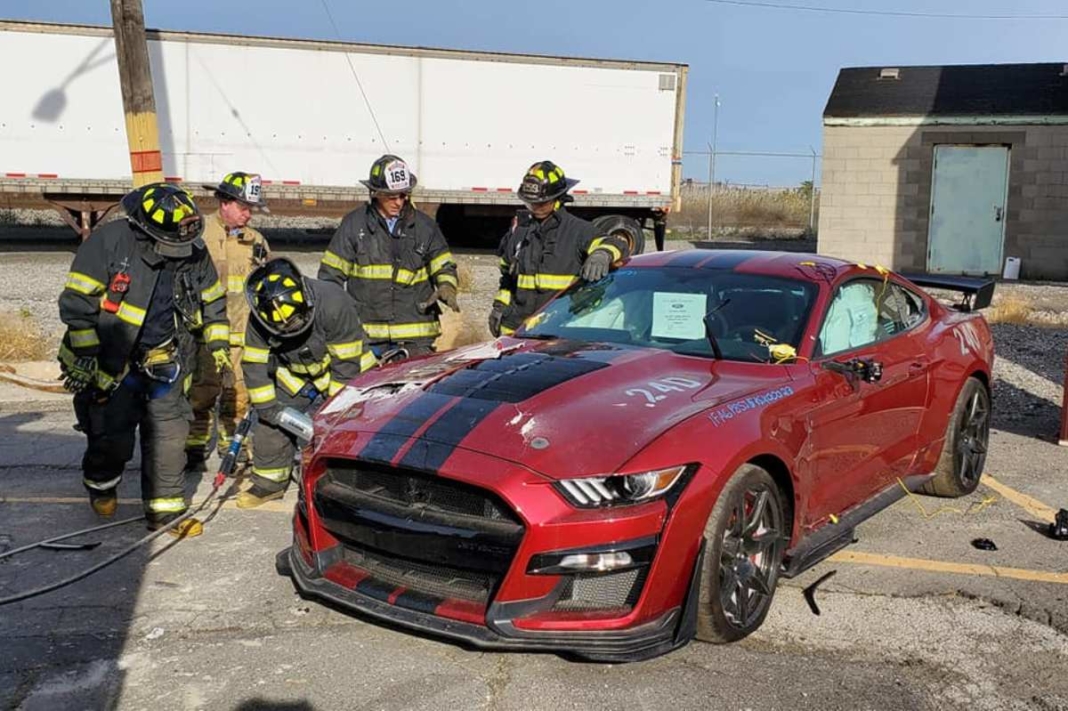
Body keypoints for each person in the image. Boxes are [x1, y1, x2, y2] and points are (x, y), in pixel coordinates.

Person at [58, 183, 230, 537]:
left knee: (169, 438)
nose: (180, 251)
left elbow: (212, 301)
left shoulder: (193, 249)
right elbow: (77, 304)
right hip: (114, 365)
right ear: (144, 229)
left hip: (166, 362)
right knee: (112, 438)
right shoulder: (109, 243)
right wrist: (88, 355)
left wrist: (218, 345)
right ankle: (101, 484)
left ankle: (165, 514)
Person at [238, 257, 376, 508]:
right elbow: (254, 363)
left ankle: (343, 483)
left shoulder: (333, 302)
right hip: (296, 375)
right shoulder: (260, 318)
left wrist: (333, 412)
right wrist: (267, 407)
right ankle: (269, 483)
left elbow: (346, 366)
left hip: (345, 372)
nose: (292, 326)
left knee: (349, 424)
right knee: (270, 421)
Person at [318, 154, 459, 358]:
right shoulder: (354, 225)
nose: (399, 202)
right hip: (368, 337)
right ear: (375, 194)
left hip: (416, 337)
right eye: (391, 197)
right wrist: (335, 320)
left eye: (403, 196)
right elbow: (330, 278)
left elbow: (443, 264)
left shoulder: (424, 227)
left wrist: (447, 285)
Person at [186, 172, 270, 468]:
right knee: (202, 391)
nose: (249, 214)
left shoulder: (257, 242)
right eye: (243, 206)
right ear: (224, 203)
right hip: (206, 334)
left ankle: (231, 447)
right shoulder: (198, 235)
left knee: (238, 395)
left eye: (251, 208)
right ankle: (194, 447)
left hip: (242, 334)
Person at [490, 161, 632, 337]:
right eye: (530, 203)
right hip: (517, 330)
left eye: (542, 204)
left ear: (557, 200)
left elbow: (618, 245)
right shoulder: (521, 232)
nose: (535, 208)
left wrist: (602, 254)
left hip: (558, 330)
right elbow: (507, 278)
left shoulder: (577, 230)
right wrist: (499, 308)